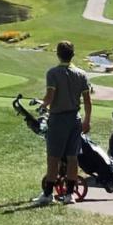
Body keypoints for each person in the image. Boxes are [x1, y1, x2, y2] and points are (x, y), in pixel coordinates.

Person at [32, 40, 91, 205]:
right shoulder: (81, 74)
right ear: (72, 54)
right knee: (72, 158)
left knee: (54, 158)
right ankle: (69, 194)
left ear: (58, 54)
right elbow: (87, 101)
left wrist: (43, 105)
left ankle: (48, 194)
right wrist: (87, 120)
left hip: (58, 119)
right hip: (75, 119)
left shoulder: (53, 73)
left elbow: (50, 97)